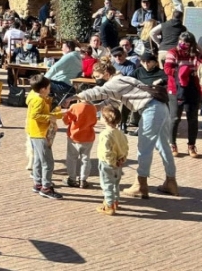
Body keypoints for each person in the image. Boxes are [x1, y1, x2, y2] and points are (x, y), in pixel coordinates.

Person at [75, 59, 177, 198]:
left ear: (106, 73)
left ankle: (141, 184)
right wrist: (96, 107)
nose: (96, 79)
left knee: (144, 149)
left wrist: (77, 96)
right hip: (160, 107)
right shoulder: (123, 79)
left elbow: (100, 91)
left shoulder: (114, 82)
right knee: (163, 145)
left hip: (150, 110)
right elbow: (115, 100)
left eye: (97, 76)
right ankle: (171, 181)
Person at [162, 32, 202, 158]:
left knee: (193, 119)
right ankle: (172, 144)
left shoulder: (195, 53)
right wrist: (182, 71)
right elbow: (167, 69)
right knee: (175, 118)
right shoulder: (173, 52)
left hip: (192, 88)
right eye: (181, 42)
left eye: (186, 43)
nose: (183, 45)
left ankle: (191, 145)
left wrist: (199, 48)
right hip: (176, 88)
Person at [26, 76, 64, 199]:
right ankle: (46, 188)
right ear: (42, 89)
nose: (49, 89)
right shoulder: (39, 100)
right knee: (48, 162)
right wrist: (50, 117)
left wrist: (54, 112)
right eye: (48, 88)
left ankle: (38, 183)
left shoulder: (34, 95)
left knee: (38, 159)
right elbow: (35, 115)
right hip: (41, 133)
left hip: (34, 132)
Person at [96, 105, 128, 215]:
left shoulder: (105, 134)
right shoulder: (120, 133)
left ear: (105, 119)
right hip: (119, 162)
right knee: (115, 183)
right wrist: (122, 158)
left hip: (107, 163)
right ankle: (115, 202)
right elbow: (125, 147)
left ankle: (109, 205)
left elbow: (106, 151)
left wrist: (112, 161)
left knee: (107, 184)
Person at [62, 96, 97, 189]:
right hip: (88, 136)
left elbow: (66, 121)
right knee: (85, 159)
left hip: (74, 136)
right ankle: (83, 180)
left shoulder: (74, 106)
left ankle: (72, 178)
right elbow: (94, 122)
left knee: (71, 158)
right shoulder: (93, 108)